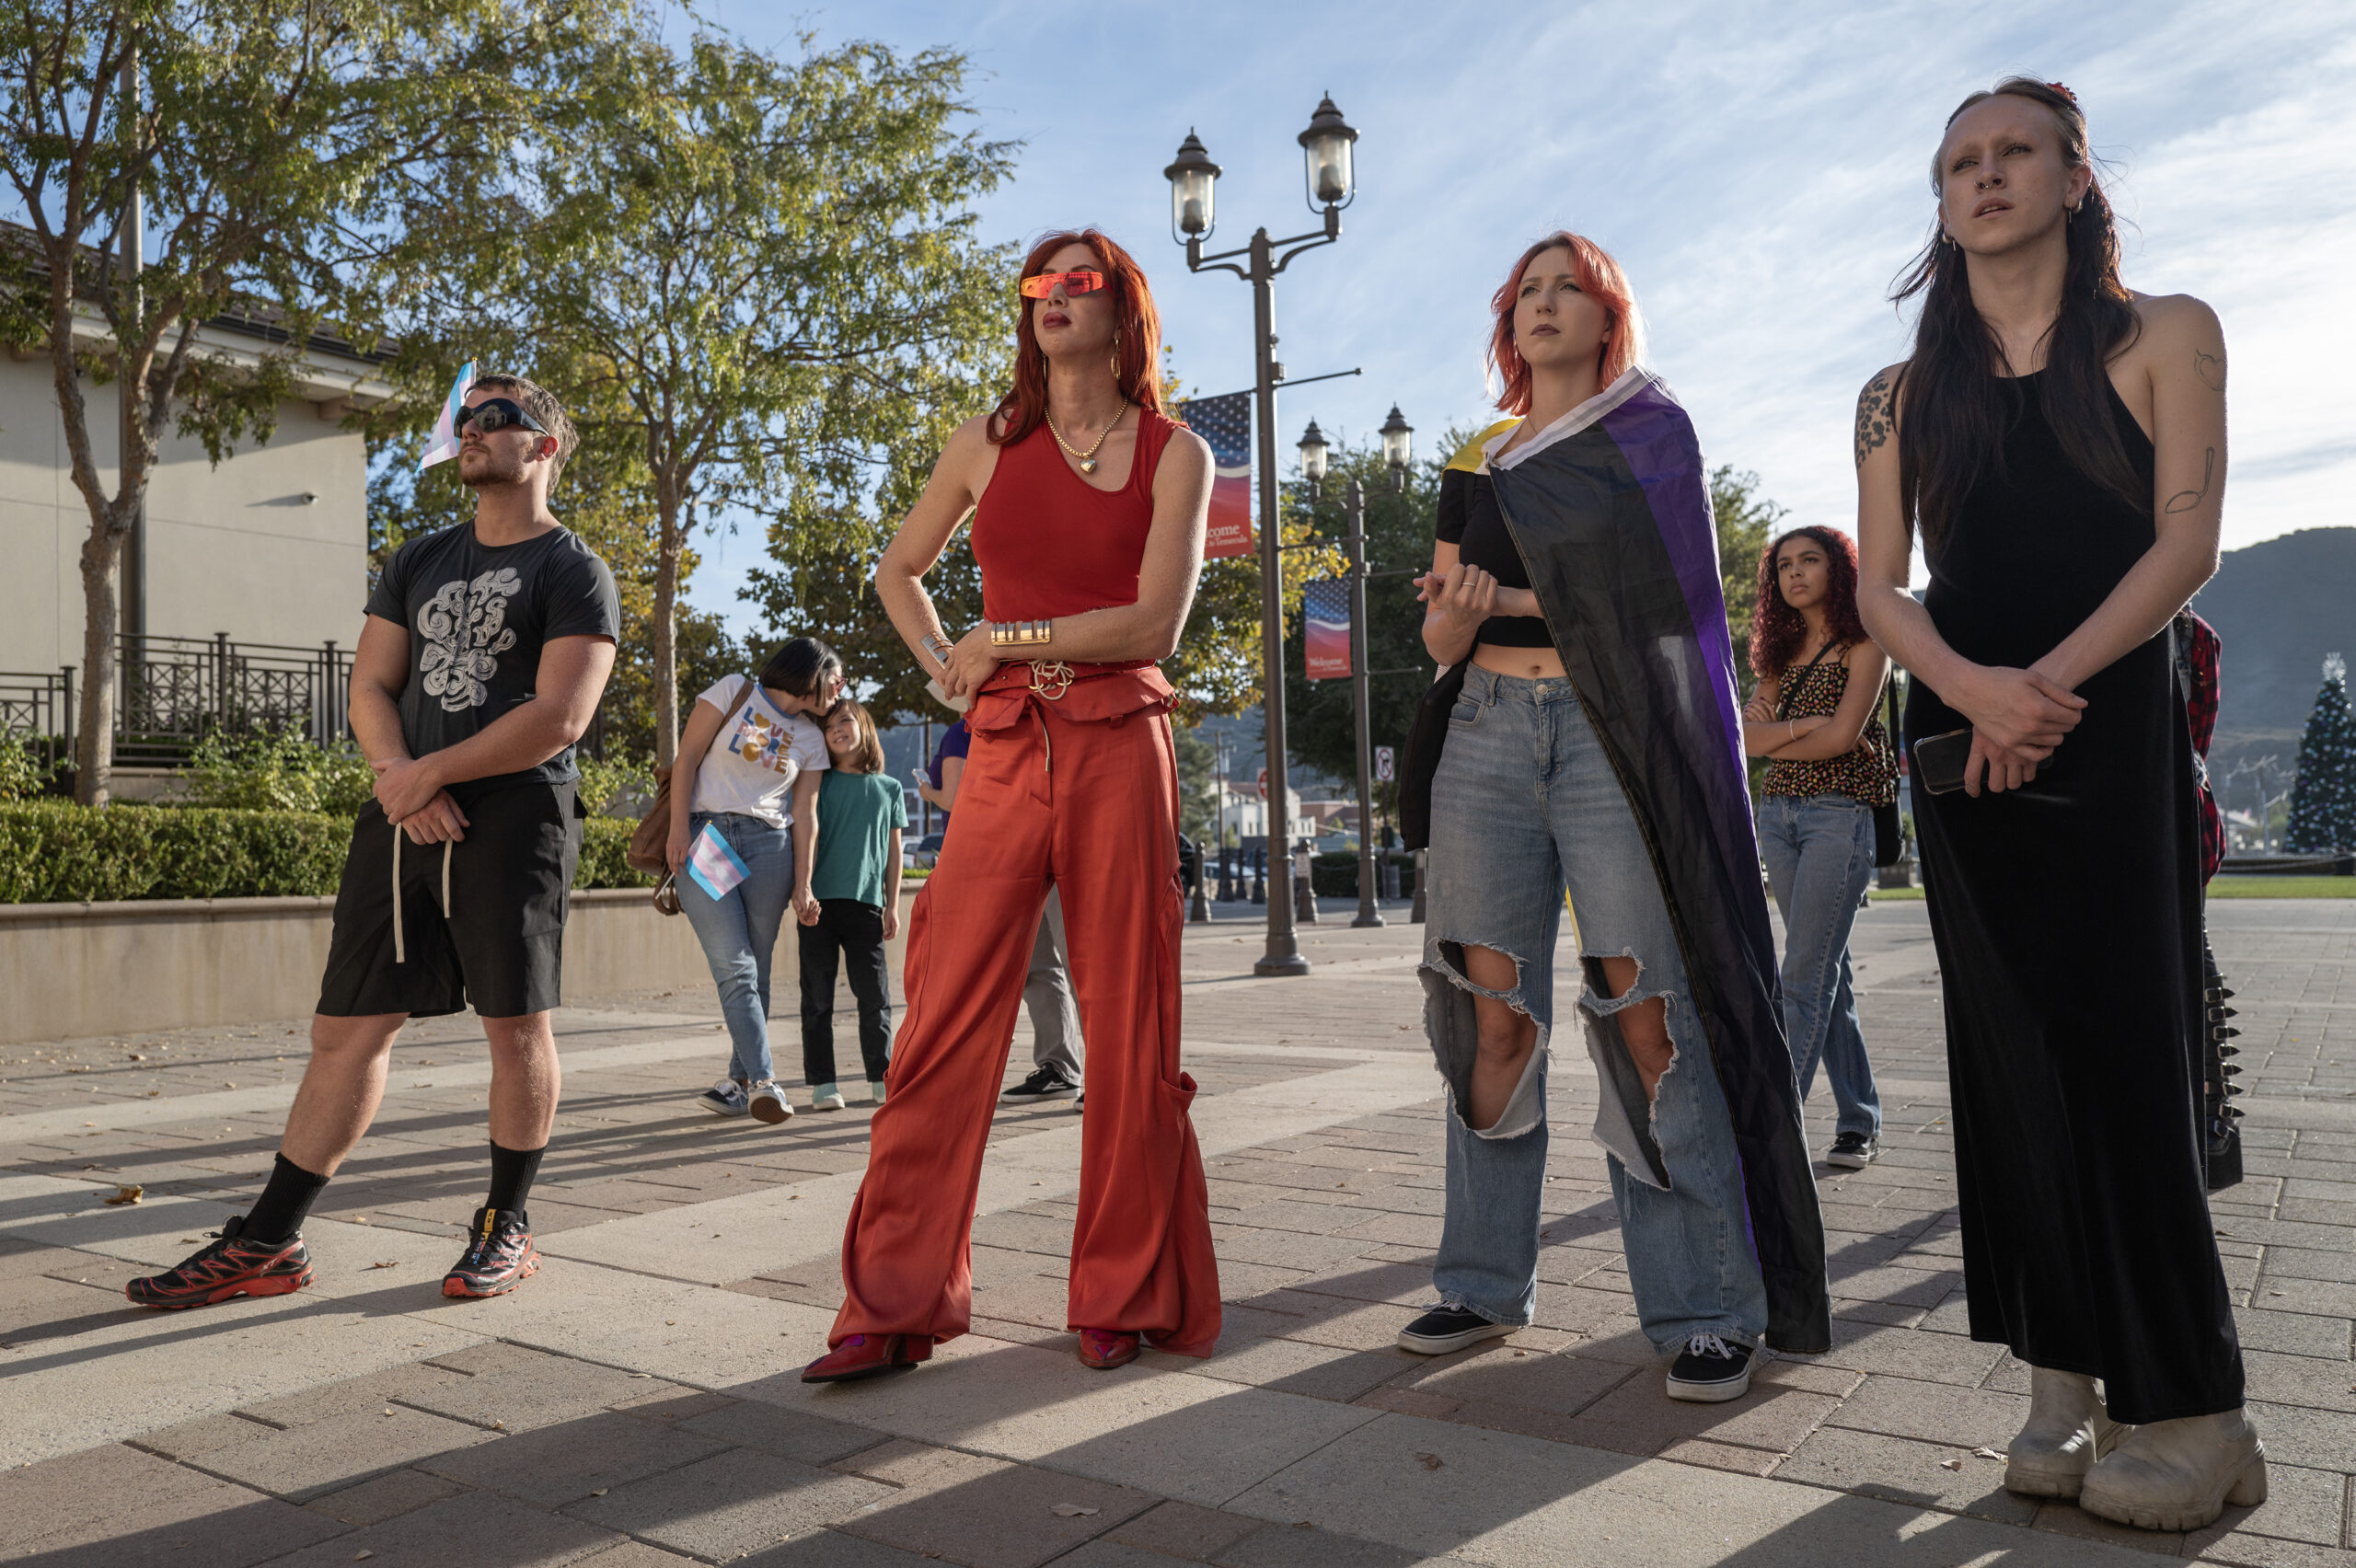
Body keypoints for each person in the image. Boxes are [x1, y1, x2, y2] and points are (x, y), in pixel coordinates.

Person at [1854, 78, 2257, 1529]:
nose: (1986, 174)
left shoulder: (2168, 333)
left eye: (2015, 149)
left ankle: (2199, 1411)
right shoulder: (1899, 392)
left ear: (2078, 174)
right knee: (2008, 1058)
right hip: (1961, 731)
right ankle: (2060, 1382)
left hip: (2101, 718)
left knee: (2125, 1052)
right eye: (1958, 159)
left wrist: (2046, 689)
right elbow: (1879, 586)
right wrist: (1972, 692)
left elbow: (2188, 541)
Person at [1397, 232, 1829, 1403]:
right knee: (1487, 1013)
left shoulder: (1651, 434)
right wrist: (1456, 616)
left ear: (1606, 315)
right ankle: (1483, 1284)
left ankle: (1704, 1308)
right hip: (1484, 733)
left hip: (1607, 736)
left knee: (1648, 1019)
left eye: (1564, 289)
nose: (1541, 307)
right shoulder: (1479, 461)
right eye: (1524, 292)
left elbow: (1665, 605)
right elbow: (1438, 636)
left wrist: (1514, 598)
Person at [804, 227, 1218, 1381]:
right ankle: (890, 1301)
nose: (1055, 296)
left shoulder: (1174, 453)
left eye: (1082, 281)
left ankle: (1123, 1294)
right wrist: (947, 660)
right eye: (1040, 282)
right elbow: (897, 572)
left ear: (1122, 308)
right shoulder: (983, 443)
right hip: (999, 750)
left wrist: (1004, 637)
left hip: (1119, 741)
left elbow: (1152, 627)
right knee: (940, 1022)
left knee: (1130, 1022)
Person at [127, 374, 618, 1307]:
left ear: (544, 448)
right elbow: (369, 688)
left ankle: (503, 1226)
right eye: (467, 419)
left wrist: (430, 775)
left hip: (515, 817)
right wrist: (402, 779)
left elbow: (560, 715)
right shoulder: (419, 558)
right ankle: (268, 1241)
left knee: (514, 1028)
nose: (472, 430)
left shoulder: (572, 569)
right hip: (404, 811)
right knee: (344, 1028)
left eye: (497, 418)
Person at [1740, 525, 1896, 1168]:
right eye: (1784, 566)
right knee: (1829, 971)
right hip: (1777, 816)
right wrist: (1807, 726)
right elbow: (1745, 741)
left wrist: (1785, 732)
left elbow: (1844, 739)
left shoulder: (1867, 641)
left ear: (1838, 568)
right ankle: (1859, 1119)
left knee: (1802, 974)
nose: (1795, 574)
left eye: (1810, 561)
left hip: (1840, 815)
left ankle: (1778, 1134)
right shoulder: (1776, 654)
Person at [669, 638, 840, 1124]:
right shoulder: (733, 691)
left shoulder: (809, 738)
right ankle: (765, 1082)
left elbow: (805, 816)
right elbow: (686, 760)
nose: (840, 688)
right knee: (735, 964)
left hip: (771, 847)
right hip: (709, 838)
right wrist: (678, 827)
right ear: (811, 671)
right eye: (836, 676)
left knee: (756, 968)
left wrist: (803, 884)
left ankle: (736, 1085)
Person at [921, 715, 1085, 1103]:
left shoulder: (966, 732)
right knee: (1042, 966)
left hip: (1024, 853)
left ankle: (1104, 1078)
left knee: (1075, 966)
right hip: (1013, 856)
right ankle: (1060, 1069)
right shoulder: (980, 727)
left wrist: (928, 792)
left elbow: (954, 798)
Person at [801, 698, 904, 1109]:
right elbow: (803, 839)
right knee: (817, 999)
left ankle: (882, 1078)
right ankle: (823, 1084)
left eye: (844, 721)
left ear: (863, 724)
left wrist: (892, 906)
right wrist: (802, 890)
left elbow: (894, 854)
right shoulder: (818, 783)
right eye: (828, 728)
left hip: (867, 908)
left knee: (874, 998)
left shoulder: (889, 788)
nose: (837, 730)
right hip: (819, 907)